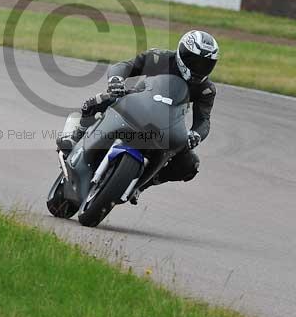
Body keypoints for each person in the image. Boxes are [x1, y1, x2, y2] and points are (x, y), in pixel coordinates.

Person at [58, 30, 219, 199]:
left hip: (168, 125)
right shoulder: (159, 58)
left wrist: (196, 134)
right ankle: (75, 138)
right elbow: (125, 65)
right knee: (98, 101)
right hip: (137, 103)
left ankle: (141, 186)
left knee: (190, 164)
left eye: (206, 65)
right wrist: (116, 80)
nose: (198, 68)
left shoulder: (206, 90)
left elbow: (204, 120)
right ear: (181, 53)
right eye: (194, 61)